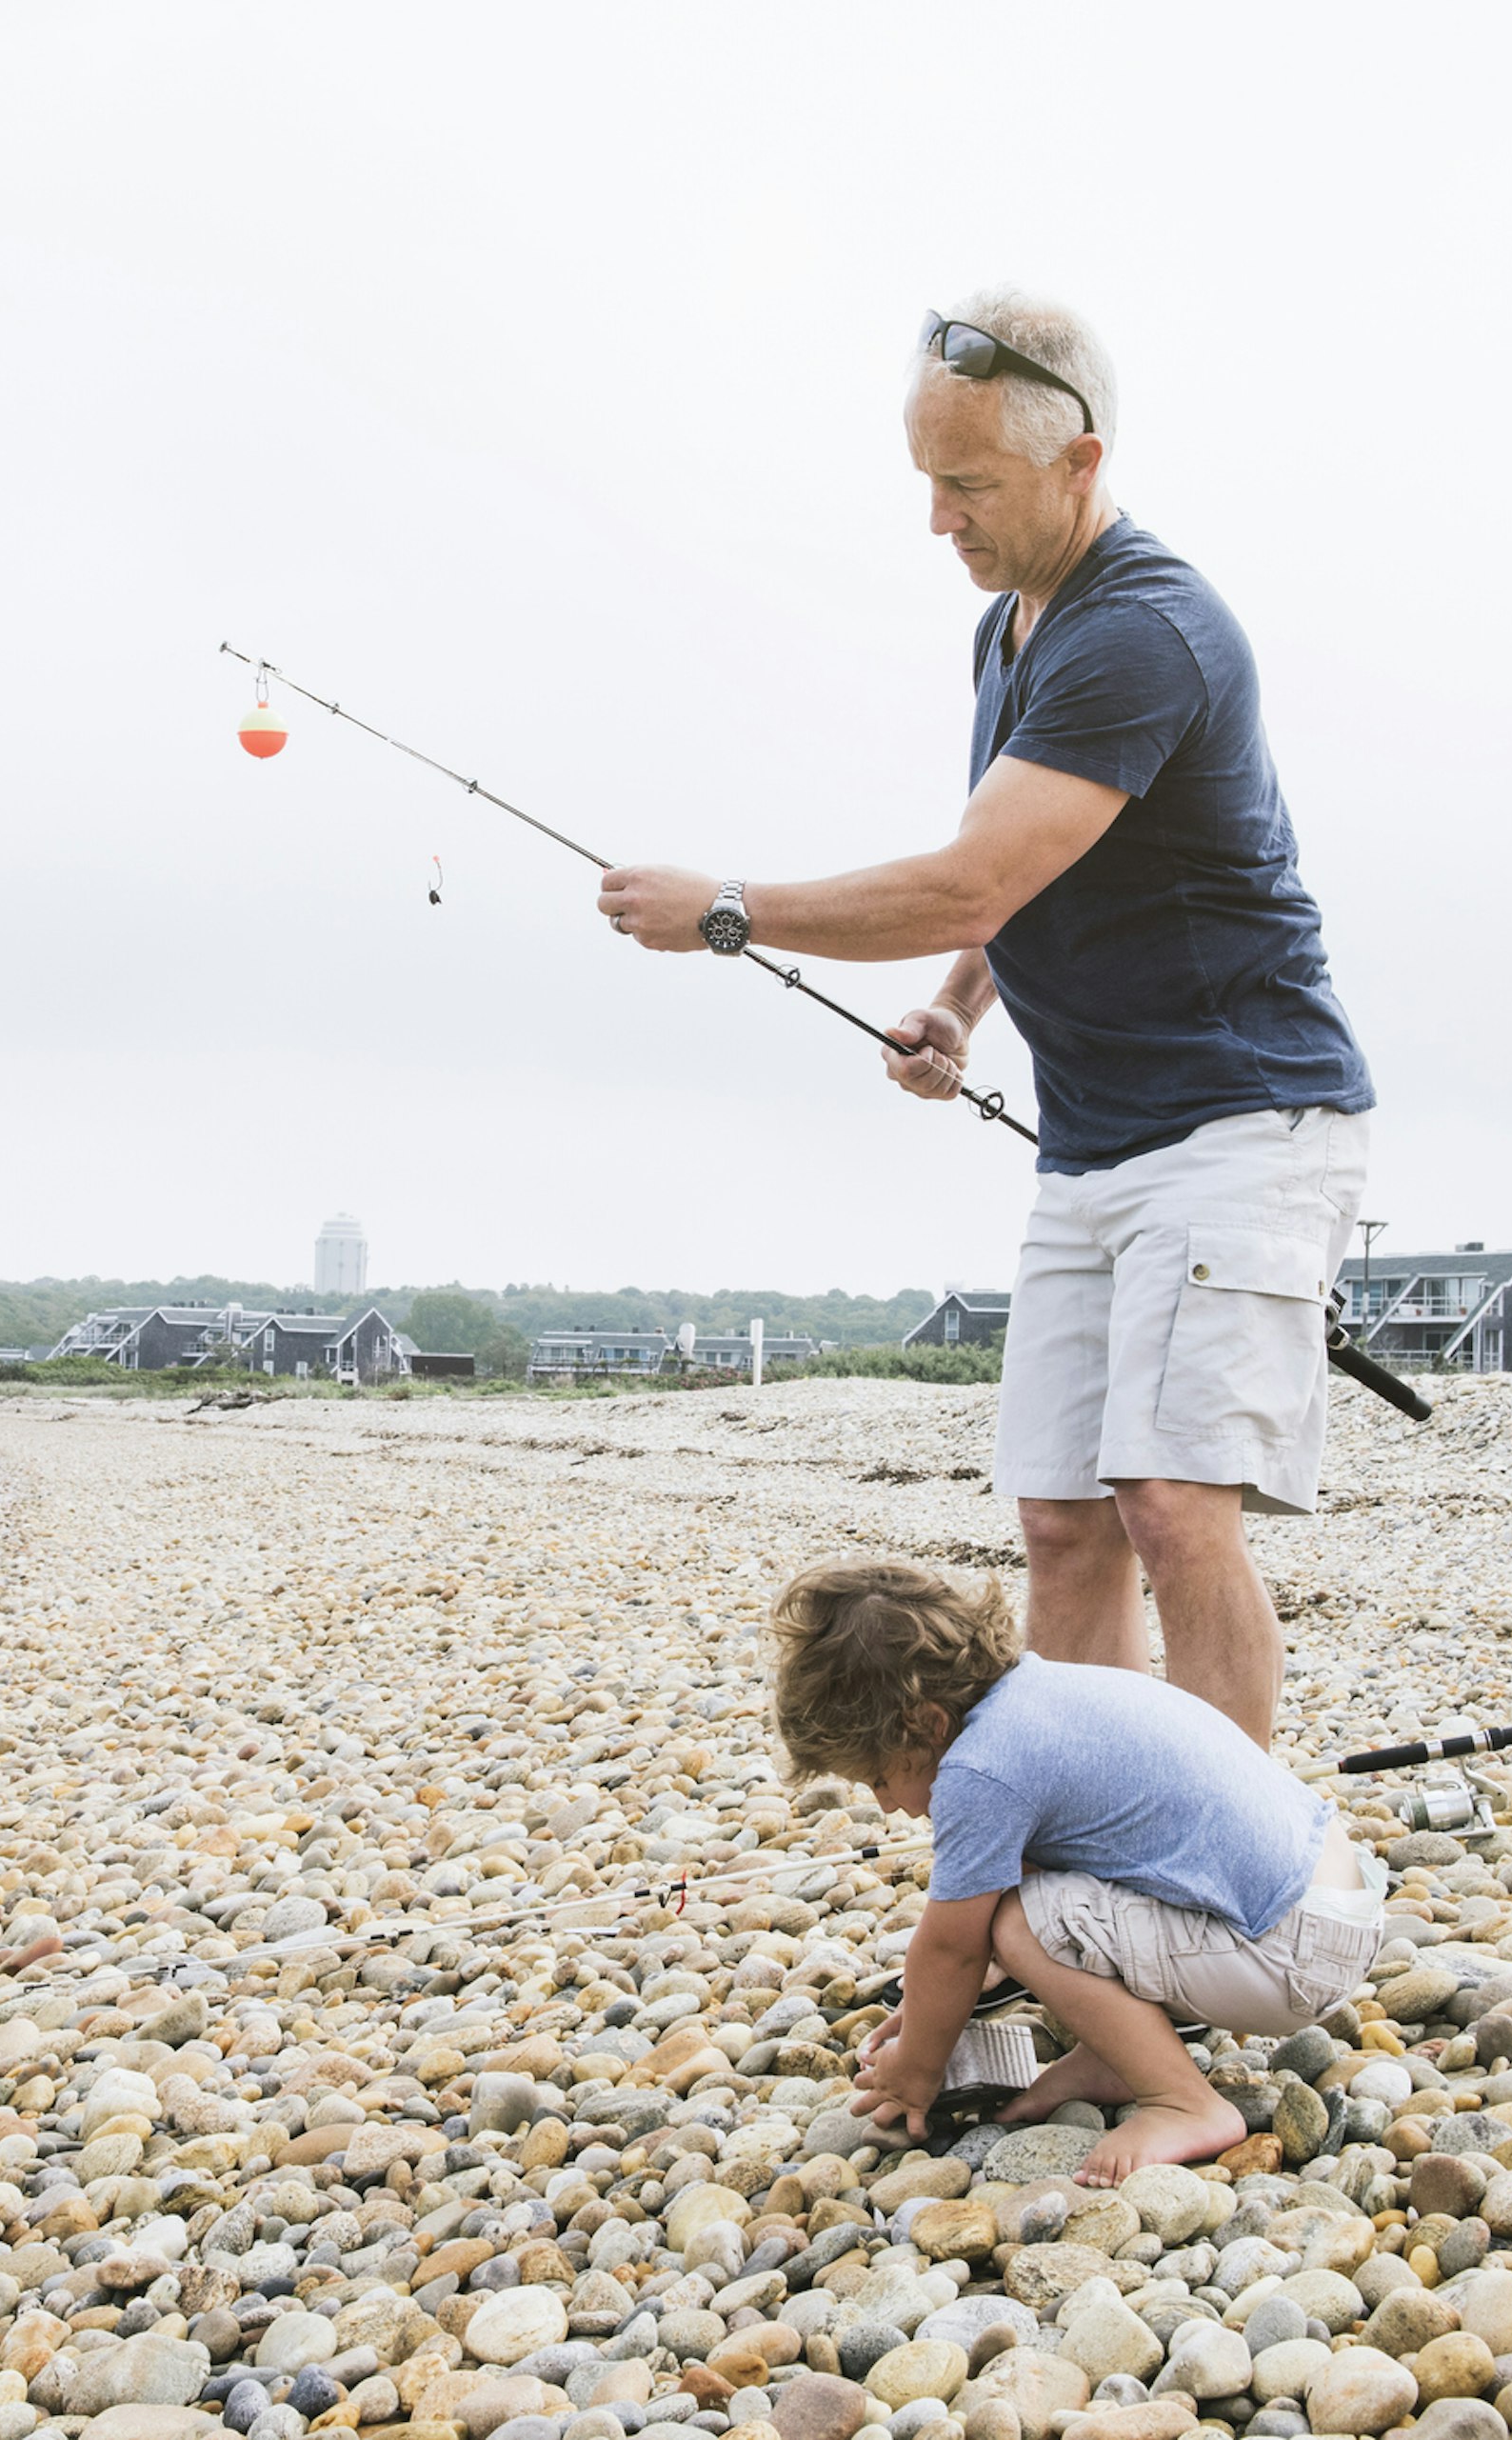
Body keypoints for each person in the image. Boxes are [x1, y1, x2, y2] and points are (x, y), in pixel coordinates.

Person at [596, 288, 1374, 1749]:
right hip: (1090, 1141)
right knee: (1064, 1521)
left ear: (1078, 463)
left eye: (970, 486)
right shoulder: (1010, 627)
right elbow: (1024, 890)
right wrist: (960, 1009)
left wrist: (729, 909)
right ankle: (1097, 1841)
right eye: (927, 482)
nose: (939, 520)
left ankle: (1228, 1871)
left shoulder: (1146, 631)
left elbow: (972, 874)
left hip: (1245, 1120)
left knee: (1172, 1506)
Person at [765, 1557, 1383, 2182]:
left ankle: (1183, 2103)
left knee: (1017, 1925)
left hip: (1292, 1950)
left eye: (879, 1777)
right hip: (1330, 1889)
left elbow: (952, 1946)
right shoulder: (1040, 1692)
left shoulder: (980, 1770)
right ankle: (1117, 2058)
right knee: (1042, 1895)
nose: (887, 1803)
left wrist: (916, 2072)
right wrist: (934, 2011)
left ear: (926, 1724)